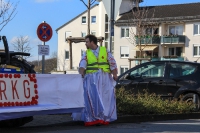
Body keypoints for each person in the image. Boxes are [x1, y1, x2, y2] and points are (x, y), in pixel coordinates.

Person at [72, 34, 118, 126]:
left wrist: (115, 74)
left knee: (105, 98)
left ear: (92, 42)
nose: (86, 43)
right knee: (92, 98)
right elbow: (82, 63)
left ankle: (104, 118)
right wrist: (81, 72)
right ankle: (92, 118)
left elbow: (112, 61)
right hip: (91, 78)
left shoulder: (105, 50)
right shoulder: (86, 53)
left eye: (87, 42)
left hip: (104, 78)